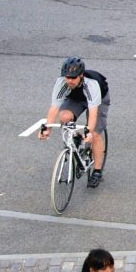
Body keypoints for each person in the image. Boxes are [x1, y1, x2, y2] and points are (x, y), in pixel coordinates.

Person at [39, 57, 110, 188]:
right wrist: (47, 128)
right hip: (76, 98)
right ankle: (76, 137)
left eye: (73, 78)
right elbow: (54, 107)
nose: (69, 80)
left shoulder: (91, 84)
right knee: (64, 116)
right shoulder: (62, 83)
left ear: (81, 76)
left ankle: (97, 171)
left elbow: (93, 112)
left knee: (94, 133)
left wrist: (88, 132)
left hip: (97, 100)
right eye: (67, 77)